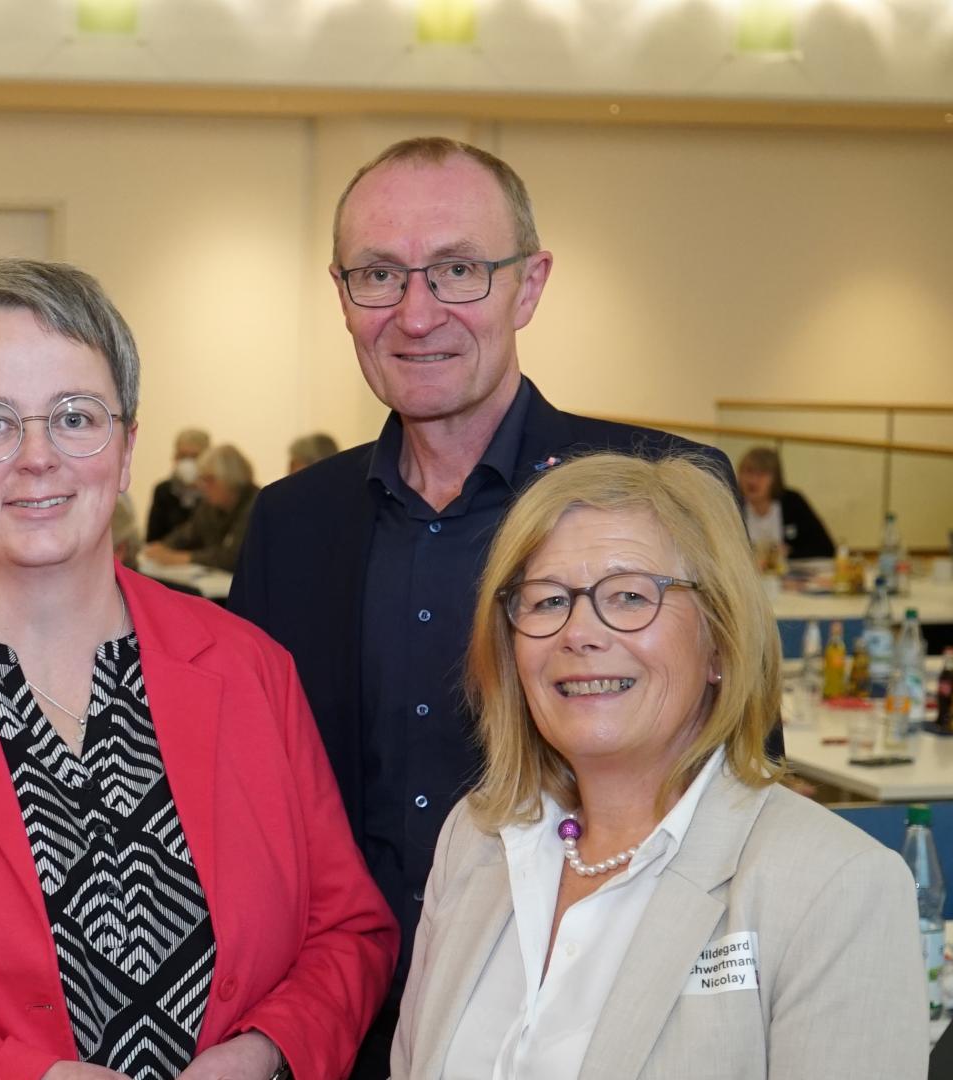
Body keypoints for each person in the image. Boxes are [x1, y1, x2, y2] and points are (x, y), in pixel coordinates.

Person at [0, 259, 397, 1080]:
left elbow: (348, 932)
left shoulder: (248, 669)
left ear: (126, 447)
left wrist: (269, 1051)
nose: (37, 457)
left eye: (75, 417)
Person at [226, 135, 739, 1071]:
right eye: (379, 274)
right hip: (343, 1034)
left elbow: (735, 772)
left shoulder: (662, 491)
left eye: (458, 269)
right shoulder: (289, 525)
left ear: (528, 286)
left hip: (591, 1031)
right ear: (341, 295)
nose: (416, 314)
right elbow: (254, 817)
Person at [391, 453, 925, 1078]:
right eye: (546, 601)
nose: (579, 633)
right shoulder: (476, 839)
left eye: (628, 595)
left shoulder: (835, 887)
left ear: (720, 642)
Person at [142, 444, 258, 573]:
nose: (203, 486)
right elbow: (189, 533)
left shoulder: (257, 505)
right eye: (202, 479)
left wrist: (183, 558)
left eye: (209, 480)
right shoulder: (209, 506)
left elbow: (234, 557)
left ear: (230, 478)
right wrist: (163, 547)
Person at [736, 446, 833, 562]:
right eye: (748, 472)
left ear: (775, 478)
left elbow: (826, 549)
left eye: (761, 474)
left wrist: (790, 553)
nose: (753, 480)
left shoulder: (792, 502)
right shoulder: (733, 502)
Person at [145, 427, 210, 542]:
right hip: (163, 557)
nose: (188, 462)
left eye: (194, 457)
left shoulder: (214, 493)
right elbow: (153, 539)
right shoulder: (163, 490)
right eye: (183, 456)